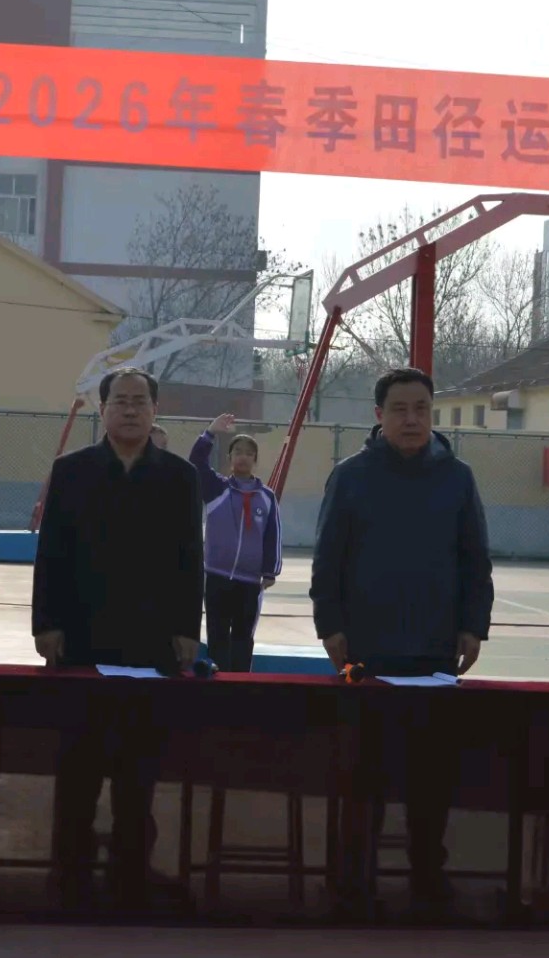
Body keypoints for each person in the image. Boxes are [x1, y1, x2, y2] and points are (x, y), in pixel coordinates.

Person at [311, 366, 493, 914]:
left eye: (421, 409)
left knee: (431, 776)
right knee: (362, 770)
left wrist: (473, 625)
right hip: (363, 650)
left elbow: (475, 559)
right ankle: (353, 878)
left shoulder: (457, 478)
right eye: (399, 409)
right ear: (378, 416)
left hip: (435, 650)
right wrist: (330, 626)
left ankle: (427, 877)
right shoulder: (351, 476)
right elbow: (327, 559)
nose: (411, 419)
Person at [32, 368, 201, 910]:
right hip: (80, 638)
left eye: (139, 401)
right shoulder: (72, 471)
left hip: (150, 642)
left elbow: (189, 559)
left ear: (155, 410)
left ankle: (130, 875)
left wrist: (187, 629)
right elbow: (51, 554)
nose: (130, 410)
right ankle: (70, 874)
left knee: (138, 769)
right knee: (78, 767)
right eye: (120, 401)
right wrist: (46, 624)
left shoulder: (179, 477)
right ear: (102, 410)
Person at [189, 412, 281, 674]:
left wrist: (270, 571)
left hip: (249, 582)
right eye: (238, 452)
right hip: (217, 576)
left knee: (243, 637)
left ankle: (242, 682)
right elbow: (196, 462)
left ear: (255, 460)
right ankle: (219, 683)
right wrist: (210, 433)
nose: (243, 457)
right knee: (217, 634)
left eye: (249, 453)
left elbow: (272, 534)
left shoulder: (266, 497)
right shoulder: (217, 489)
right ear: (229, 458)